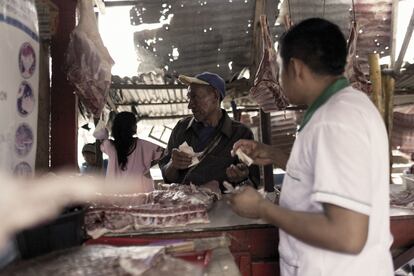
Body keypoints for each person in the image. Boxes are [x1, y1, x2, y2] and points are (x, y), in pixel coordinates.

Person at [230, 18, 393, 275]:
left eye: (280, 68)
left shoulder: (334, 121)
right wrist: (274, 155)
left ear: (296, 68)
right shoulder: (351, 105)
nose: (279, 77)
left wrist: (262, 208)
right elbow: (324, 172)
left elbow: (347, 235)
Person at [158, 72, 259, 192]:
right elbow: (168, 178)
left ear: (216, 96)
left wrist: (241, 178)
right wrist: (173, 165)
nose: (190, 105)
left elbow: (253, 183)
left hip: (222, 208)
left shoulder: (241, 134)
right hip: (185, 207)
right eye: (189, 98)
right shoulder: (181, 128)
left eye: (195, 97)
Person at [97, 111, 164, 192]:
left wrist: (102, 119)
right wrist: (148, 165)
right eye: (135, 124)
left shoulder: (109, 145)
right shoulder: (143, 145)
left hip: (115, 197)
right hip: (140, 195)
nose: (136, 126)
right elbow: (164, 153)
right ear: (132, 127)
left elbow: (99, 134)